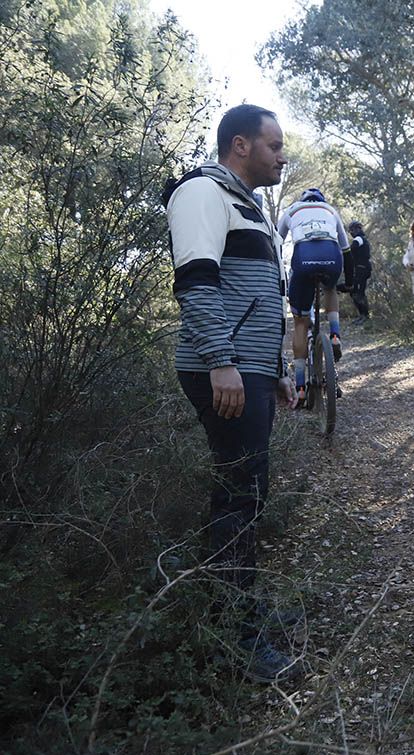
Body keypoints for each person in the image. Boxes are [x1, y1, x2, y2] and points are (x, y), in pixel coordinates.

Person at [162, 103, 300, 683]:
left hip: (249, 370)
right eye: (274, 145)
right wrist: (222, 362)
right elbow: (197, 283)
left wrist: (278, 371)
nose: (282, 156)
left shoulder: (250, 207)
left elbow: (265, 298)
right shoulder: (201, 193)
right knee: (241, 494)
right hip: (222, 370)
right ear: (240, 145)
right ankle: (235, 635)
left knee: (245, 491)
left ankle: (239, 606)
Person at [277, 187, 351, 403]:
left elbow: (276, 241)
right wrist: (350, 280)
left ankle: (300, 387)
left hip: (303, 258)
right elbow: (346, 248)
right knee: (330, 288)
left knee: (300, 322)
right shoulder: (330, 209)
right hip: (332, 256)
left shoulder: (291, 210)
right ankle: (335, 334)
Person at [343, 220, 372, 320]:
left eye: (352, 230)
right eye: (350, 230)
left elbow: (351, 250)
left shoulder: (359, 239)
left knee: (359, 292)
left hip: (362, 268)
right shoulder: (361, 239)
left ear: (358, 229)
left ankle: (365, 315)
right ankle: (362, 315)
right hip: (360, 268)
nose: (351, 232)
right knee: (355, 291)